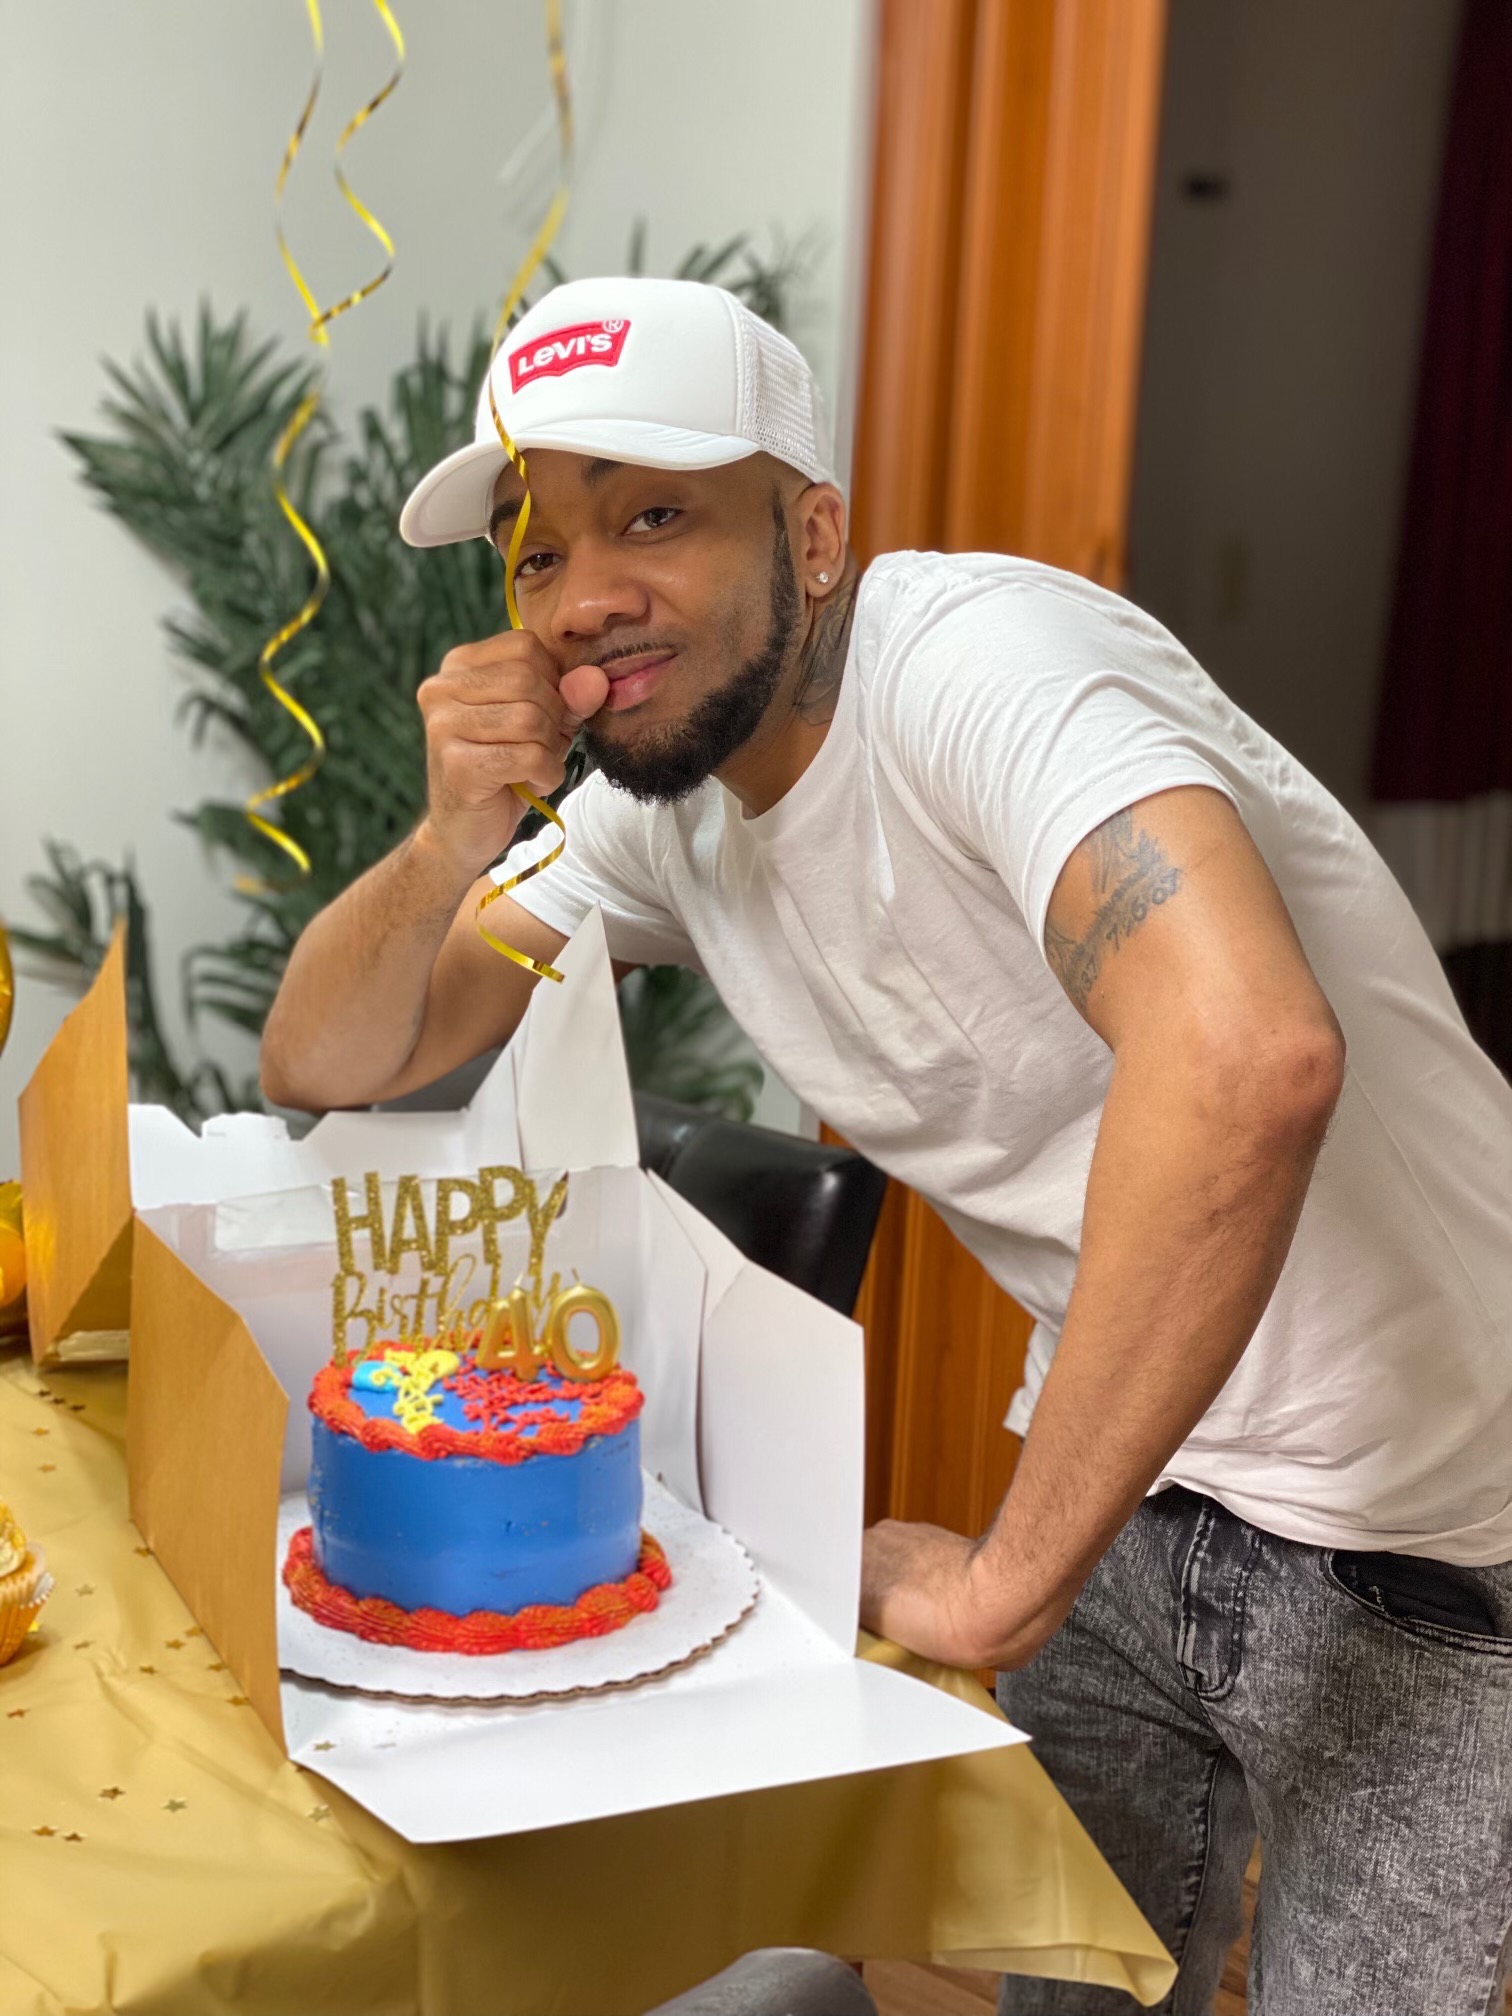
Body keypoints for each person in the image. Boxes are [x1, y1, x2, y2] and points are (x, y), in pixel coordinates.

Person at [260, 277, 1512, 2012]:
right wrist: (441, 840)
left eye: (655, 516)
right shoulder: (659, 821)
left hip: (1438, 1518)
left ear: (815, 537)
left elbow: (1247, 1060)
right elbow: (328, 1058)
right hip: (1136, 1467)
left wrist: (998, 1589)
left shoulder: (981, 667)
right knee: (1070, 1987)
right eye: (539, 552)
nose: (583, 594)